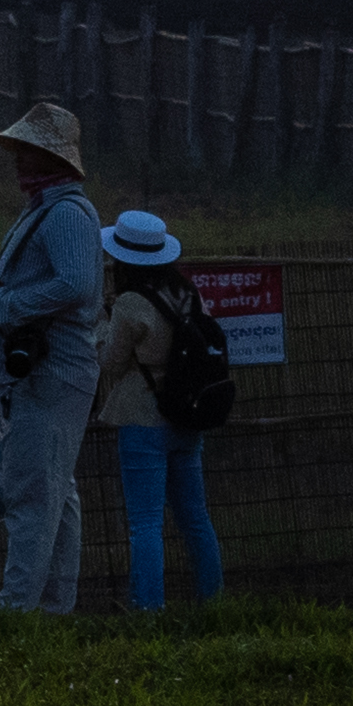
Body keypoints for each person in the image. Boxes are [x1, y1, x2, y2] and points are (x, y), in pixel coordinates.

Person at [0, 100, 110, 624]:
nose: (17, 161)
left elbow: (76, 285)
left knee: (35, 493)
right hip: (40, 372)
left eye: (26, 151)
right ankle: (52, 608)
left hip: (52, 371)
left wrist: (8, 305)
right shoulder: (46, 212)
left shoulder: (65, 215)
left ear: (46, 157)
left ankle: (17, 613)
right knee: (56, 489)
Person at [98, 208, 234, 622]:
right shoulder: (188, 294)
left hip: (143, 416)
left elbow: (110, 363)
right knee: (195, 517)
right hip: (186, 413)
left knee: (145, 524)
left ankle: (148, 610)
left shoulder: (130, 303)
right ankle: (214, 603)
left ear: (123, 258)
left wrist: (101, 326)